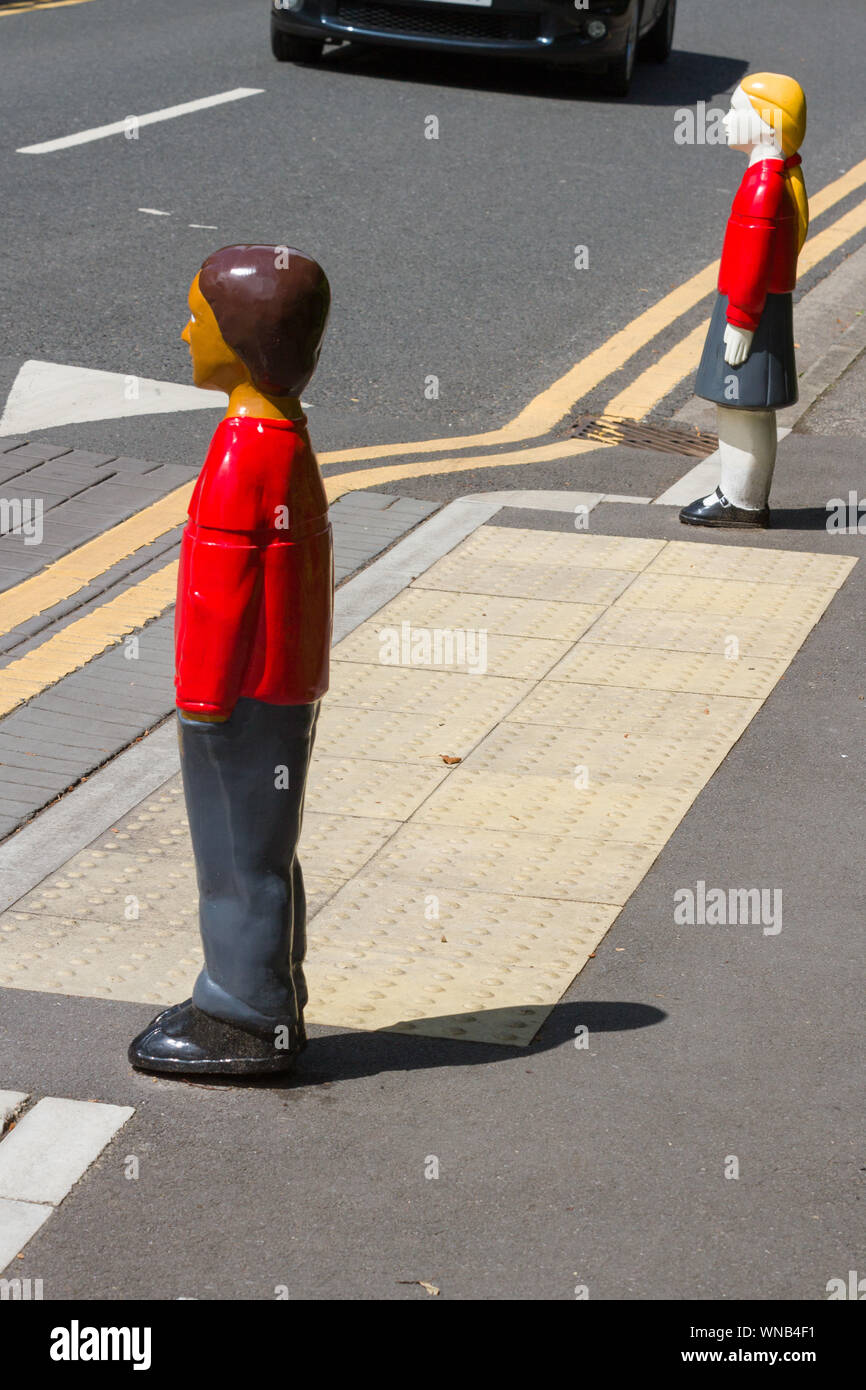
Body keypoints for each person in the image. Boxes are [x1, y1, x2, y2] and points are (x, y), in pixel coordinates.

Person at [129, 244, 333, 1075]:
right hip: (281, 684)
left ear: (241, 340)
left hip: (237, 694)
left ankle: (247, 1017)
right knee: (262, 847)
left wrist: (203, 700)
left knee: (235, 856)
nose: (184, 330)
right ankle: (261, 990)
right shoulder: (285, 433)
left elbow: (223, 589)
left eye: (198, 317)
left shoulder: (246, 447)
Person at [680, 74, 808, 529]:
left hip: (749, 309)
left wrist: (740, 319)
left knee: (741, 403)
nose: (727, 119)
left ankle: (741, 501)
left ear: (769, 123)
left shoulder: (763, 186)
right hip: (755, 308)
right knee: (745, 404)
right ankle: (739, 496)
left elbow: (753, 262)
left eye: (738, 111)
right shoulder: (772, 177)